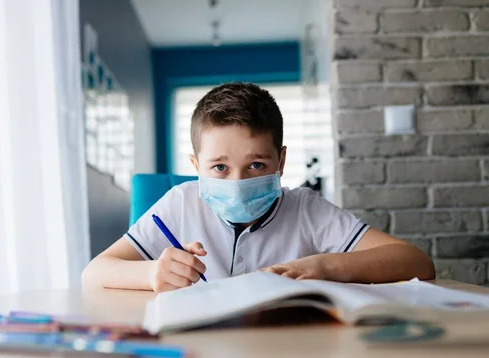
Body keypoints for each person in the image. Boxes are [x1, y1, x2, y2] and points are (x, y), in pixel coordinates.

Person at [82, 82, 435, 293]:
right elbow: (94, 273)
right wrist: (151, 272)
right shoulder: (180, 203)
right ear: (195, 167)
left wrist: (326, 267)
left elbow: (416, 262)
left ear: (280, 162)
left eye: (256, 165)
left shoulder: (306, 209)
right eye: (219, 167)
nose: (237, 183)